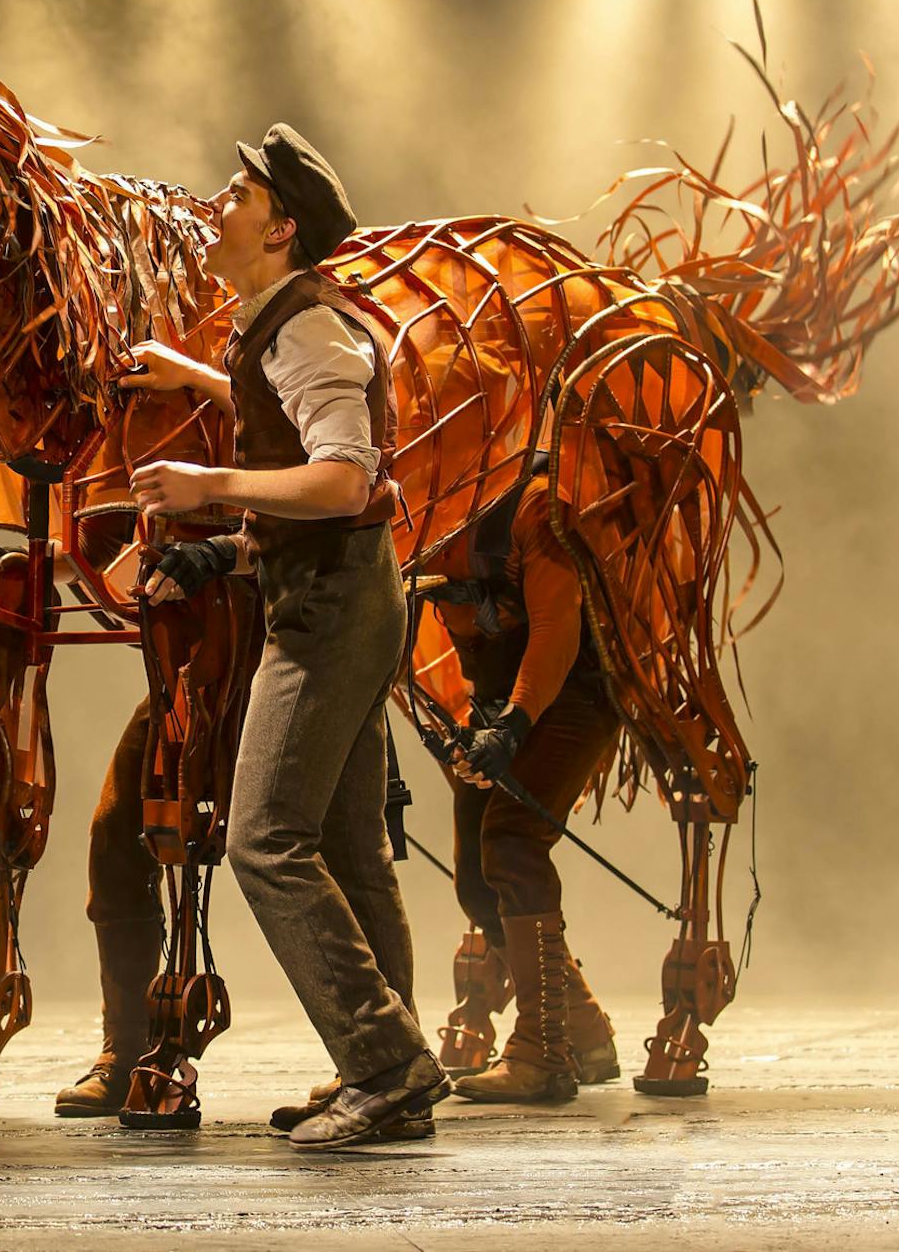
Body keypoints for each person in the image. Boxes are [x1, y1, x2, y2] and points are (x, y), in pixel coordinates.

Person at [120, 124, 447, 1150]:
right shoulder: (282, 325)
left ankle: (384, 1063)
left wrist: (210, 485)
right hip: (338, 596)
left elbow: (344, 478)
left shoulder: (308, 329)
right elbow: (284, 404)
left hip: (330, 609)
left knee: (264, 840)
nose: (219, 201)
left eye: (240, 192)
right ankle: (391, 1063)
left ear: (279, 229)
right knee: (349, 848)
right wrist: (199, 378)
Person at [418, 462, 624, 1103]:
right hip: (492, 702)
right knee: (477, 882)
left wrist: (513, 727)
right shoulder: (416, 510)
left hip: (571, 698)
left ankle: (543, 1055)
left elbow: (558, 627)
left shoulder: (533, 507)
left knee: (511, 844)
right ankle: (583, 1033)